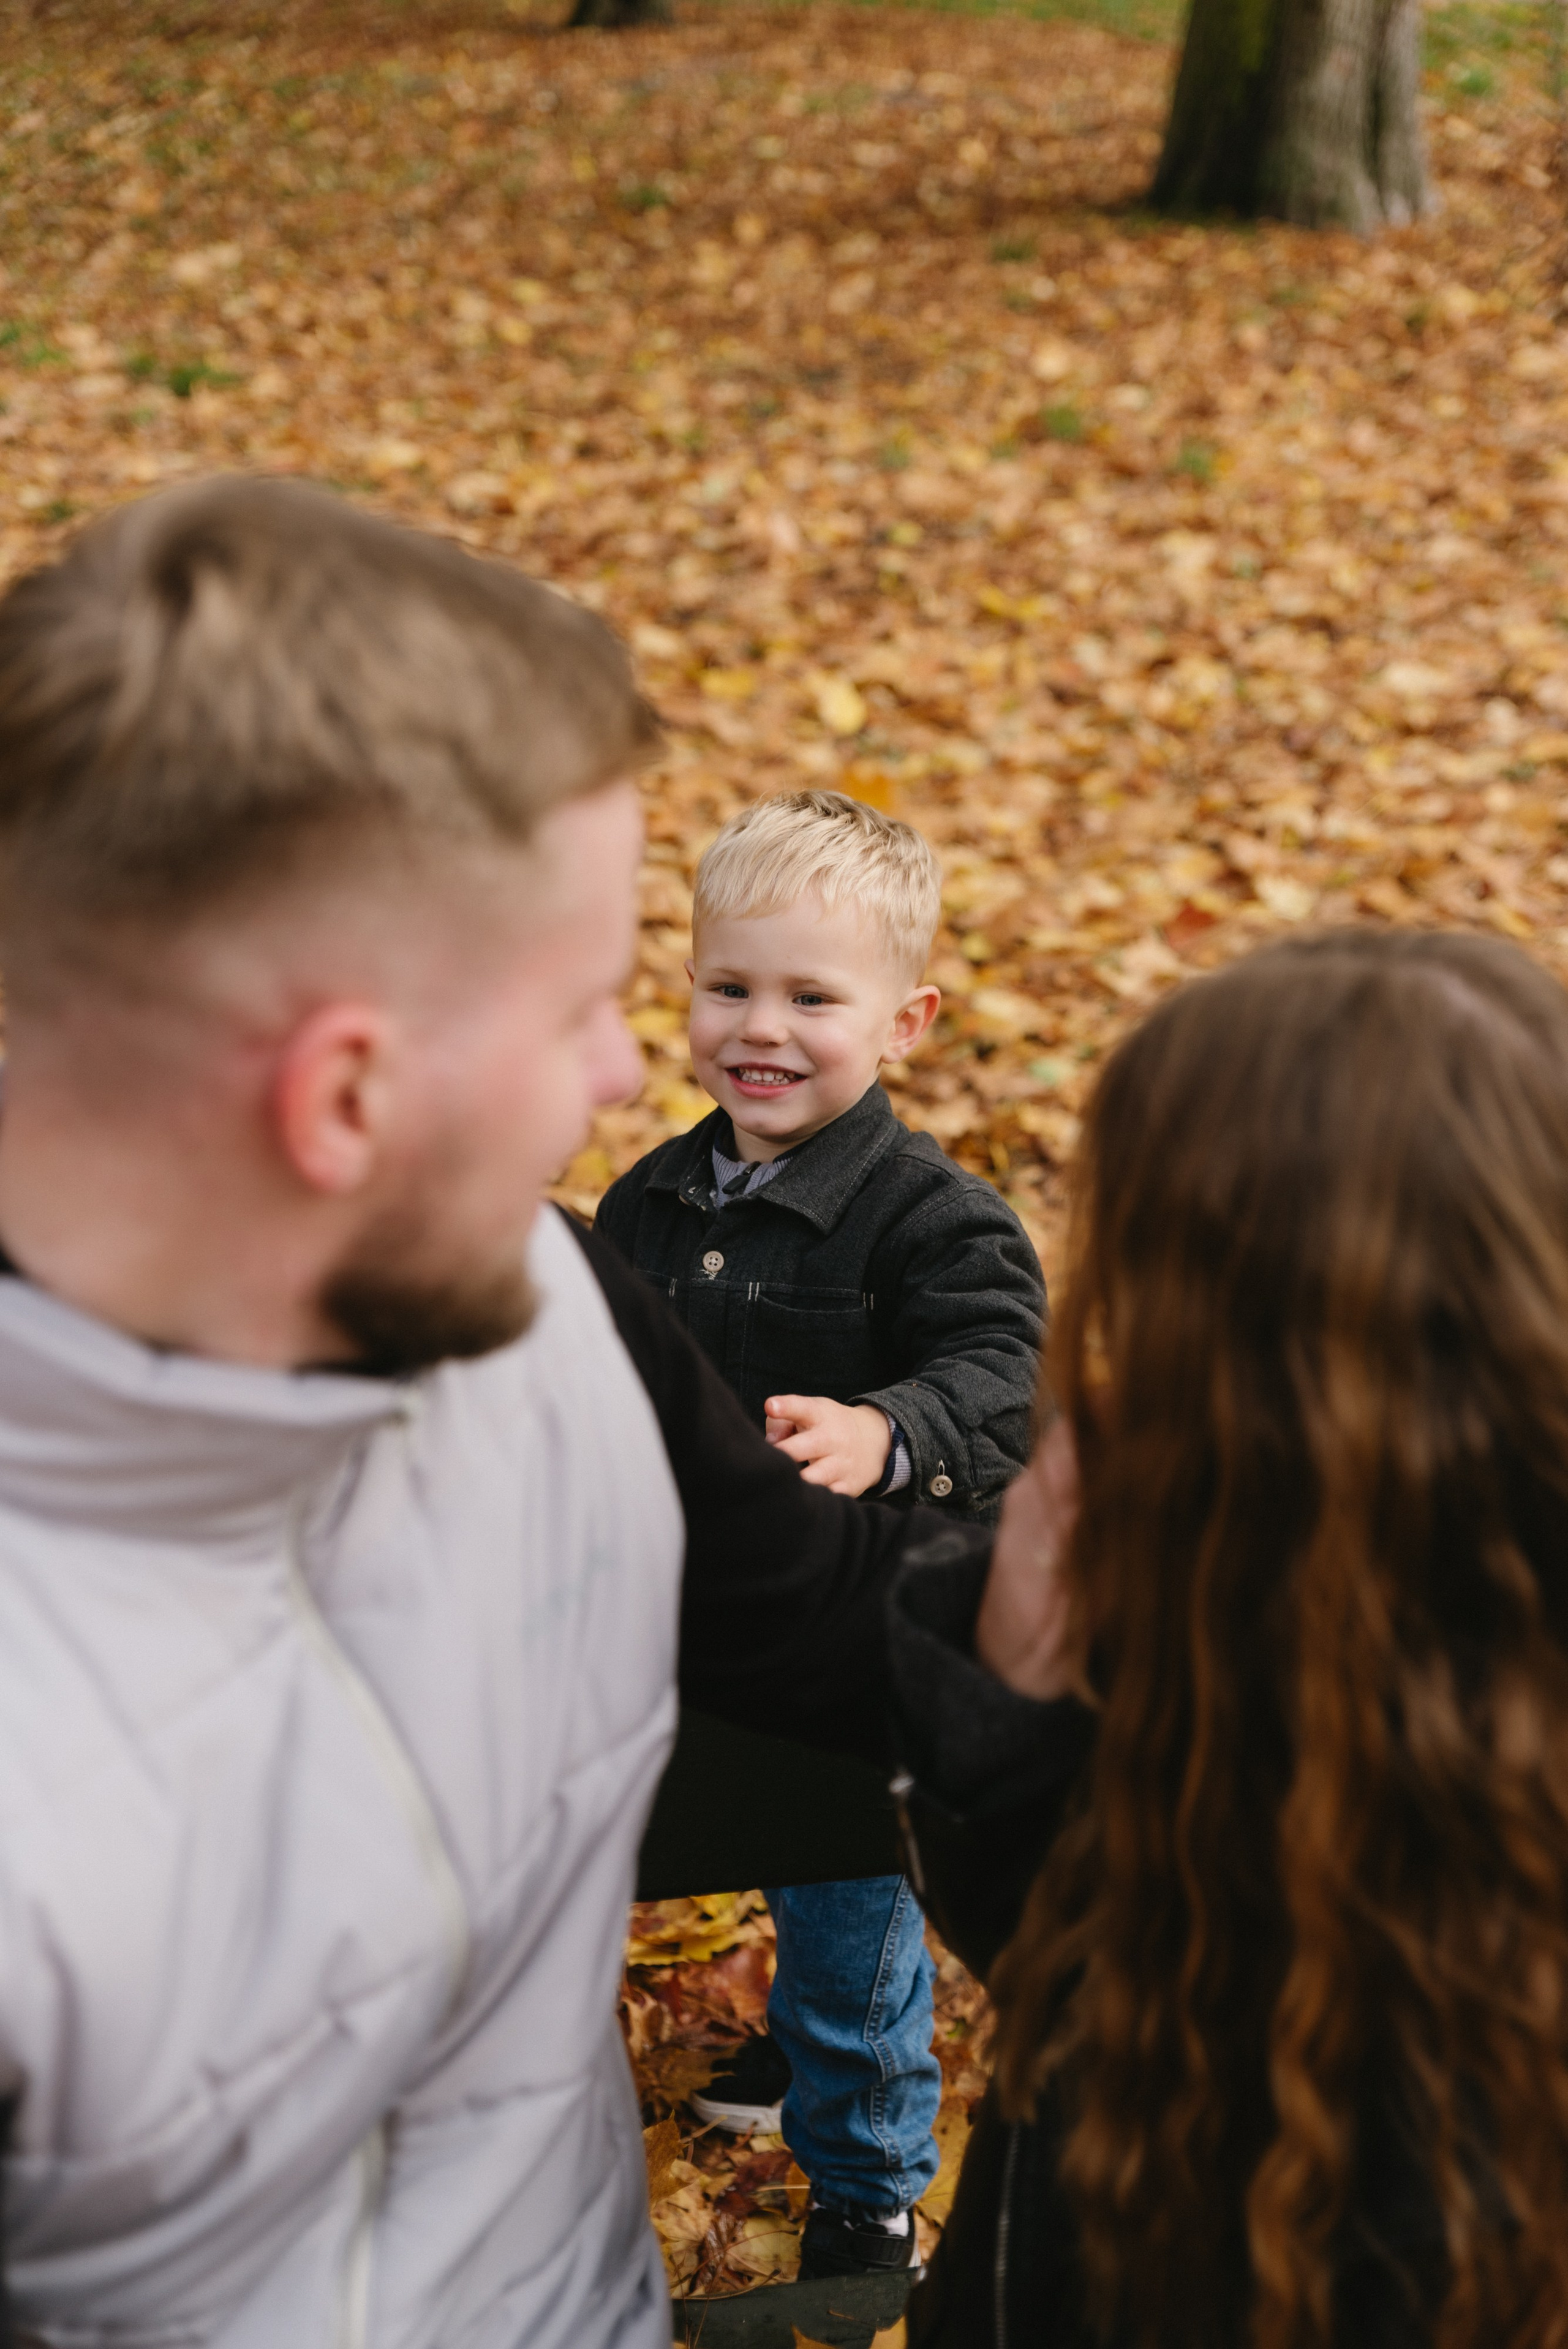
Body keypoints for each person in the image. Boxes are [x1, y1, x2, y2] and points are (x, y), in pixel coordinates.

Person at [0, 477, 1006, 2349]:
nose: (638, 1070)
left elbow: (824, 1611)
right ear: (345, 1102)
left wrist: (1216, 1591)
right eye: (574, 1012)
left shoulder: (542, 1302)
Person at [885, 929, 1568, 2348]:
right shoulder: (1291, 1621)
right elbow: (1102, 1975)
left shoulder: (1444, 2065)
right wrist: (1014, 1716)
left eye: (1152, 1294)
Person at [595, 791, 1046, 2278]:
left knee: (847, 1907)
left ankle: (866, 2186)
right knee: (698, 1839)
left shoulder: (930, 1219)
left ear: (904, 1020)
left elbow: (1005, 1371)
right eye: (729, 986)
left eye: (809, 996)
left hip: (851, 1643)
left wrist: (892, 1427)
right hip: (687, 1614)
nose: (758, 1028)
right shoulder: (651, 1197)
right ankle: (799, 2052)